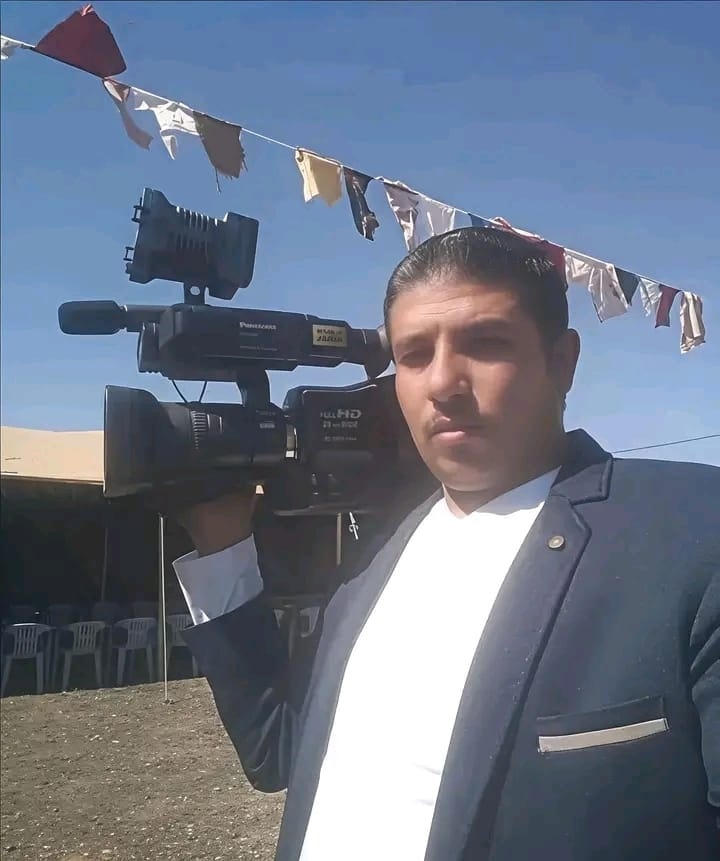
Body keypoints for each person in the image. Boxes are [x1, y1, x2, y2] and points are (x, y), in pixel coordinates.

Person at [172, 227, 719, 861]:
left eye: (485, 343)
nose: (443, 383)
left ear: (563, 362)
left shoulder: (688, 534)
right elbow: (281, 751)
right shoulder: (374, 560)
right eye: (413, 354)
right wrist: (222, 544)